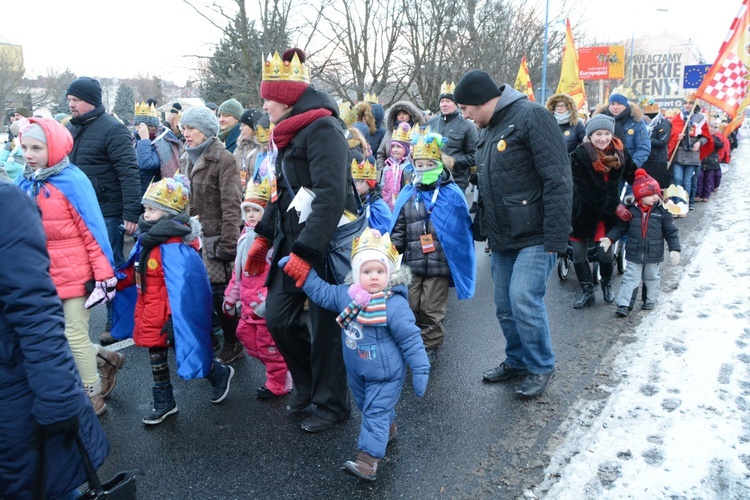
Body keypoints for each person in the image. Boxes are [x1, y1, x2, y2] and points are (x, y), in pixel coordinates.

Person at [247, 48, 355, 433]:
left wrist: (307, 252)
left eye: (269, 97)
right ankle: (308, 386)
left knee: (326, 329)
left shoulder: (323, 129)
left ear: (288, 98)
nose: (264, 105)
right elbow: (285, 194)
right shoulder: (288, 133)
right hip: (291, 241)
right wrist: (263, 237)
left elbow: (330, 195)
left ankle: (332, 404)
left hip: (322, 247)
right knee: (278, 318)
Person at [454, 70, 572, 398]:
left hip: (537, 233)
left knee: (523, 297)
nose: (464, 114)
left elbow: (558, 178)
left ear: (483, 100)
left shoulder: (533, 116)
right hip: (504, 234)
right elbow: (491, 184)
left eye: (466, 107)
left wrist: (556, 237)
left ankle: (541, 365)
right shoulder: (486, 130)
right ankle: (517, 360)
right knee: (504, 304)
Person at [285, 227, 430, 481]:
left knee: (373, 412)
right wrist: (306, 275)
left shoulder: (393, 305)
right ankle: (388, 428)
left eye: (379, 271)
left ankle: (367, 461)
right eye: (366, 271)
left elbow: (411, 340)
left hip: (386, 375)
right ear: (356, 273)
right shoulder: (347, 297)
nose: (373, 277)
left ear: (390, 273)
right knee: (368, 407)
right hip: (358, 371)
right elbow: (323, 292)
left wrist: (420, 369)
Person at [0, 181, 110, 499]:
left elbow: (35, 311)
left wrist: (58, 399)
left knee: (42, 485)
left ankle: (95, 384)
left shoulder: (8, 202)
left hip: (16, 389)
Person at [16, 118, 126, 416]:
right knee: (54, 336)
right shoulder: (26, 182)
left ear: (53, 147)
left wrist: (104, 276)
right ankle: (104, 359)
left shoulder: (73, 181)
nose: (28, 154)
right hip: (43, 276)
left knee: (73, 335)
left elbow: (93, 232)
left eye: (36, 147)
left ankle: (92, 396)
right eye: (25, 146)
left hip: (78, 275)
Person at [112, 175, 235, 424]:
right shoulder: (148, 240)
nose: (145, 214)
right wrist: (110, 281)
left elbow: (185, 290)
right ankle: (164, 401)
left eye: (152, 210)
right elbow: (134, 269)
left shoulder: (174, 247)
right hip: (149, 308)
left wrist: (173, 321)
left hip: (168, 315)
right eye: (145, 209)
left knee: (188, 349)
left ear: (168, 214)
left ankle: (217, 373)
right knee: (155, 355)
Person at [66, 76, 141, 345]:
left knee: (111, 268)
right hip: (79, 212)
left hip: (108, 211)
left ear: (90, 101)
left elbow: (129, 172)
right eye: (70, 100)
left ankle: (116, 322)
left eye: (76, 100)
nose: (71, 104)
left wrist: (132, 212)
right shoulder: (72, 129)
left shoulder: (113, 129)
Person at [390, 130, 475, 364]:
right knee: (410, 305)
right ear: (412, 164)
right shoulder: (408, 193)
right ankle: (412, 341)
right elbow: (398, 226)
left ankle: (431, 343)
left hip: (439, 264)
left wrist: (455, 262)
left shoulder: (451, 194)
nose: (424, 168)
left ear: (439, 163)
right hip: (411, 263)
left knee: (430, 308)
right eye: (420, 164)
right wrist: (392, 253)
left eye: (430, 163)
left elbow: (460, 233)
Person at [179, 106, 245, 364]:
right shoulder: (187, 156)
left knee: (221, 297)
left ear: (206, 130)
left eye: (191, 128)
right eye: (183, 128)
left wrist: (229, 245)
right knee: (198, 293)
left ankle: (233, 342)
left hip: (217, 237)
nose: (186, 133)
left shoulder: (223, 159)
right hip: (194, 236)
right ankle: (212, 338)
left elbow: (232, 206)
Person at [223, 180, 292, 399]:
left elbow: (277, 274)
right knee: (246, 336)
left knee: (269, 347)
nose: (251, 215)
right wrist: (231, 297)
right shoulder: (245, 235)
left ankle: (279, 382)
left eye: (257, 211)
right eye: (248, 210)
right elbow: (238, 271)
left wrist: (268, 302)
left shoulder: (270, 242)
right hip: (247, 301)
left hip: (263, 304)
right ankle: (281, 369)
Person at [568, 114, 637, 309]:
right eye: (598, 134)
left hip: (606, 217)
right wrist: (615, 206)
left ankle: (606, 282)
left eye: (607, 133)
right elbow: (586, 191)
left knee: (605, 255)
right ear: (590, 135)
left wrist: (649, 185)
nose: (603, 138)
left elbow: (634, 173)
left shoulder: (620, 152)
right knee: (579, 256)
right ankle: (587, 291)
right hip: (583, 212)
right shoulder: (578, 155)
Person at [600, 168, 680, 316]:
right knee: (631, 278)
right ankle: (624, 305)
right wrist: (609, 238)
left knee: (651, 278)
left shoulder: (662, 213)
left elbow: (671, 232)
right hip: (634, 253)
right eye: (650, 195)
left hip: (653, 254)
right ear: (640, 196)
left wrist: (675, 249)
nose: (655, 197)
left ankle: (649, 300)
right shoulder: (631, 212)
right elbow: (620, 228)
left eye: (656, 193)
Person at [425, 81, 478, 196]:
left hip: (456, 182)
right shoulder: (431, 123)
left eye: (448, 101)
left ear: (456, 104)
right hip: (431, 180)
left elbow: (475, 155)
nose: (444, 104)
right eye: (442, 101)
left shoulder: (467, 125)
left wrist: (452, 162)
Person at [667, 97, 713, 213]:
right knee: (677, 178)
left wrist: (699, 142)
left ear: (695, 105)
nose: (688, 105)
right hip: (679, 153)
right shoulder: (678, 117)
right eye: (686, 103)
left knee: (687, 181)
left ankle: (684, 203)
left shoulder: (701, 118)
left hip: (692, 154)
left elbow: (706, 136)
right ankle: (676, 202)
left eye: (690, 103)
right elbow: (671, 133)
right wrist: (677, 136)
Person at [133, 101, 182, 194]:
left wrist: (144, 140)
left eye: (140, 126)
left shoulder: (163, 142)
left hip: (156, 193)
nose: (137, 129)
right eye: (136, 125)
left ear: (150, 127)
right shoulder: (136, 140)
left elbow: (146, 164)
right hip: (139, 191)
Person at [594, 93, 651, 168]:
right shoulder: (599, 121)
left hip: (627, 167)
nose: (615, 107)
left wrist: (631, 167)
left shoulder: (636, 122)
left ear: (625, 106)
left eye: (619, 104)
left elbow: (643, 147)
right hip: (604, 168)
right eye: (612, 104)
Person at [375, 100, 425, 171]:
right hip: (391, 174)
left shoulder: (419, 132)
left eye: (405, 113)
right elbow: (381, 154)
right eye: (398, 114)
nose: (401, 117)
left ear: (411, 115)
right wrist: (384, 170)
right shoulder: (389, 132)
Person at [352, 158, 391, 235]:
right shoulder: (350, 203)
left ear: (370, 185)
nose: (355, 185)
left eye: (359, 181)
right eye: (354, 181)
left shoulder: (379, 207)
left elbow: (385, 231)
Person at [380, 122, 414, 210]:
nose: (395, 150)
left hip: (404, 207)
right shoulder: (387, 167)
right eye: (393, 147)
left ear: (406, 149)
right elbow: (383, 187)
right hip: (388, 207)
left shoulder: (410, 167)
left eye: (399, 147)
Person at [641, 103, 672, 189]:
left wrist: (645, 139)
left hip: (657, 159)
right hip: (645, 158)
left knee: (657, 186)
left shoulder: (664, 123)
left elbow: (662, 142)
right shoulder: (642, 123)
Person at [234, 108, 264, 193]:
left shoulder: (263, 149)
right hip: (239, 196)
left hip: (257, 196)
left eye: (244, 125)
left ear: (254, 127)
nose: (240, 128)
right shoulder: (239, 148)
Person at [695, 124, 724, 202]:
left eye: (711, 129)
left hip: (712, 162)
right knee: (699, 178)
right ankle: (698, 194)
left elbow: (720, 145)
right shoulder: (701, 137)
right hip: (701, 161)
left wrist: (711, 138)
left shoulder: (717, 138)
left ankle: (706, 195)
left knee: (708, 179)